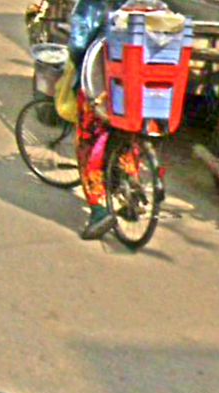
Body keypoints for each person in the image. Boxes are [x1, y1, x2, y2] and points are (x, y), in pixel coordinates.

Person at [68, 0, 126, 240]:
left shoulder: (94, 3)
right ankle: (130, 193)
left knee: (89, 144)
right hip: (134, 83)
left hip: (99, 79)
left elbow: (79, 41)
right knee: (128, 135)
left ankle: (99, 209)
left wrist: (75, 60)